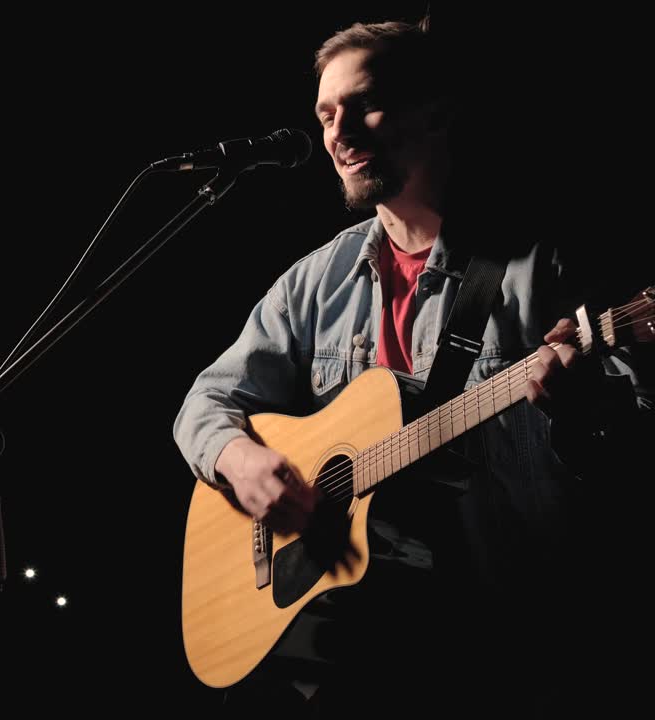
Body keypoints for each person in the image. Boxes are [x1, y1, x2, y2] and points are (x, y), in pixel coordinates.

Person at [173, 17, 651, 717]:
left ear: (437, 112)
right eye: (325, 115)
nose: (338, 133)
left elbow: (632, 444)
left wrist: (585, 411)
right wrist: (240, 461)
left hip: (510, 652)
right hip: (357, 657)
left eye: (364, 104)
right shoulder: (315, 282)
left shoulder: (538, 266)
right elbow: (204, 403)